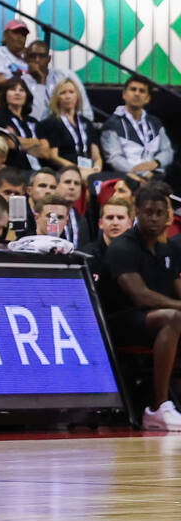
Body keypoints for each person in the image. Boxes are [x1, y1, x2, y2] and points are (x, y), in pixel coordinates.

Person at [97, 182, 181, 430]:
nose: (153, 218)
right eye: (148, 212)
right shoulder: (123, 247)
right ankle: (157, 407)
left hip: (157, 321)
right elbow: (141, 297)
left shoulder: (167, 249)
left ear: (168, 217)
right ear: (136, 213)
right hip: (119, 323)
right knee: (174, 318)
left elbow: (176, 286)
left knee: (174, 317)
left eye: (159, 213)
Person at [101, 74, 173, 180]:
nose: (137, 94)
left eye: (142, 91)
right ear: (124, 94)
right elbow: (114, 158)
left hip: (156, 177)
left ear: (148, 98)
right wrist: (142, 173)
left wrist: (156, 162)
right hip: (127, 179)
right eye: (133, 89)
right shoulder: (112, 124)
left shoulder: (156, 123)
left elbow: (168, 151)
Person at [39, 78, 103, 178]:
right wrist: (77, 170)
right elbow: (53, 156)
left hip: (88, 171)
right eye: (63, 93)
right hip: (65, 172)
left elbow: (96, 156)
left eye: (71, 92)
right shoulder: (51, 123)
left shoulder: (86, 123)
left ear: (77, 96)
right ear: (57, 97)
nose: (68, 96)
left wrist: (96, 169)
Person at [0, 78, 47, 172]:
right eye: (13, 89)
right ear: (5, 94)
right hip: (13, 169)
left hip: (39, 170)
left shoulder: (33, 121)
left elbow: (45, 152)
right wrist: (36, 142)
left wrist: (20, 141)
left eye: (22, 90)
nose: (17, 93)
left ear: (26, 95)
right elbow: (11, 144)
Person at [80, 195, 133, 268]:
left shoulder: (139, 255)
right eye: (110, 218)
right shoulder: (85, 256)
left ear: (130, 224)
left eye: (120, 218)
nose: (115, 223)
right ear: (100, 223)